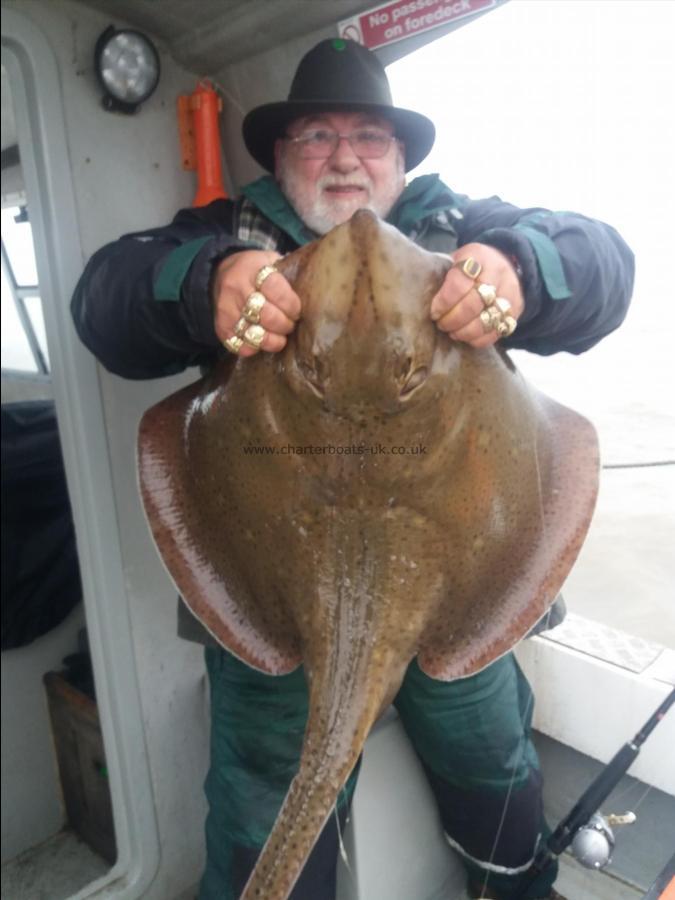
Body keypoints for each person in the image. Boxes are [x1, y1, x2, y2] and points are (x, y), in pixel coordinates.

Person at [71, 37, 634, 900]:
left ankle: (513, 883)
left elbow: (606, 265)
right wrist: (207, 283)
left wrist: (519, 270)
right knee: (261, 809)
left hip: (461, 589)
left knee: (492, 764)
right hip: (275, 597)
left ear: (400, 161)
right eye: (317, 138)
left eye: (368, 139)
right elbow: (103, 298)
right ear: (282, 158)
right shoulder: (228, 233)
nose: (344, 160)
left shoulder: (462, 228)